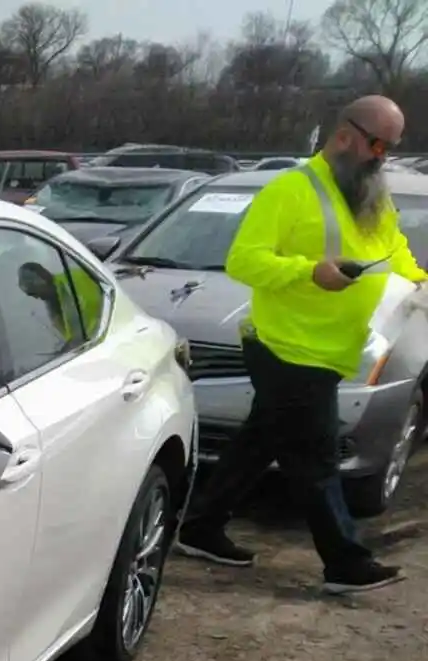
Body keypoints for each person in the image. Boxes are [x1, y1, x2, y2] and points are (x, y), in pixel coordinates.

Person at [174, 95, 422, 595]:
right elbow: (244, 260)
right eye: (377, 144)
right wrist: (310, 272)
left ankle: (200, 527)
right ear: (346, 135)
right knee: (316, 460)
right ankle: (345, 564)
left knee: (259, 440)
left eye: (390, 148)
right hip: (287, 350)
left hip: (333, 349)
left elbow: (394, 252)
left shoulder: (373, 196)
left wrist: (419, 281)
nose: (382, 157)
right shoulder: (290, 189)